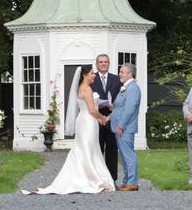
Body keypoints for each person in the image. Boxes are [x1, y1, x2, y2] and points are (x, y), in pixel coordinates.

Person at [28, 65, 115, 194]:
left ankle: (86, 176)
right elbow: (92, 110)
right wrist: (103, 118)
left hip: (83, 120)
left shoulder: (81, 88)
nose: (94, 75)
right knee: (87, 149)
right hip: (88, 122)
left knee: (86, 148)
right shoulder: (87, 89)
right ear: (85, 75)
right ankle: (92, 179)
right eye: (92, 73)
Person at [90, 53, 121, 182]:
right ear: (97, 64)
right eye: (101, 62)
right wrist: (99, 117)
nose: (103, 64)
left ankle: (112, 179)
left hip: (112, 120)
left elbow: (120, 98)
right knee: (96, 151)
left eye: (106, 62)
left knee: (112, 151)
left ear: (109, 63)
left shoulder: (116, 79)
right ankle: (97, 179)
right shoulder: (91, 79)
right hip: (95, 120)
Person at [112, 62, 141, 191]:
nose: (120, 74)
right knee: (124, 156)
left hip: (125, 128)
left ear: (130, 73)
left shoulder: (133, 88)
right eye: (120, 71)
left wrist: (121, 125)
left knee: (129, 156)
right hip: (120, 127)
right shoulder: (125, 87)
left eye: (122, 72)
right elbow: (120, 106)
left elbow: (129, 109)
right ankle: (126, 181)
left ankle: (132, 182)